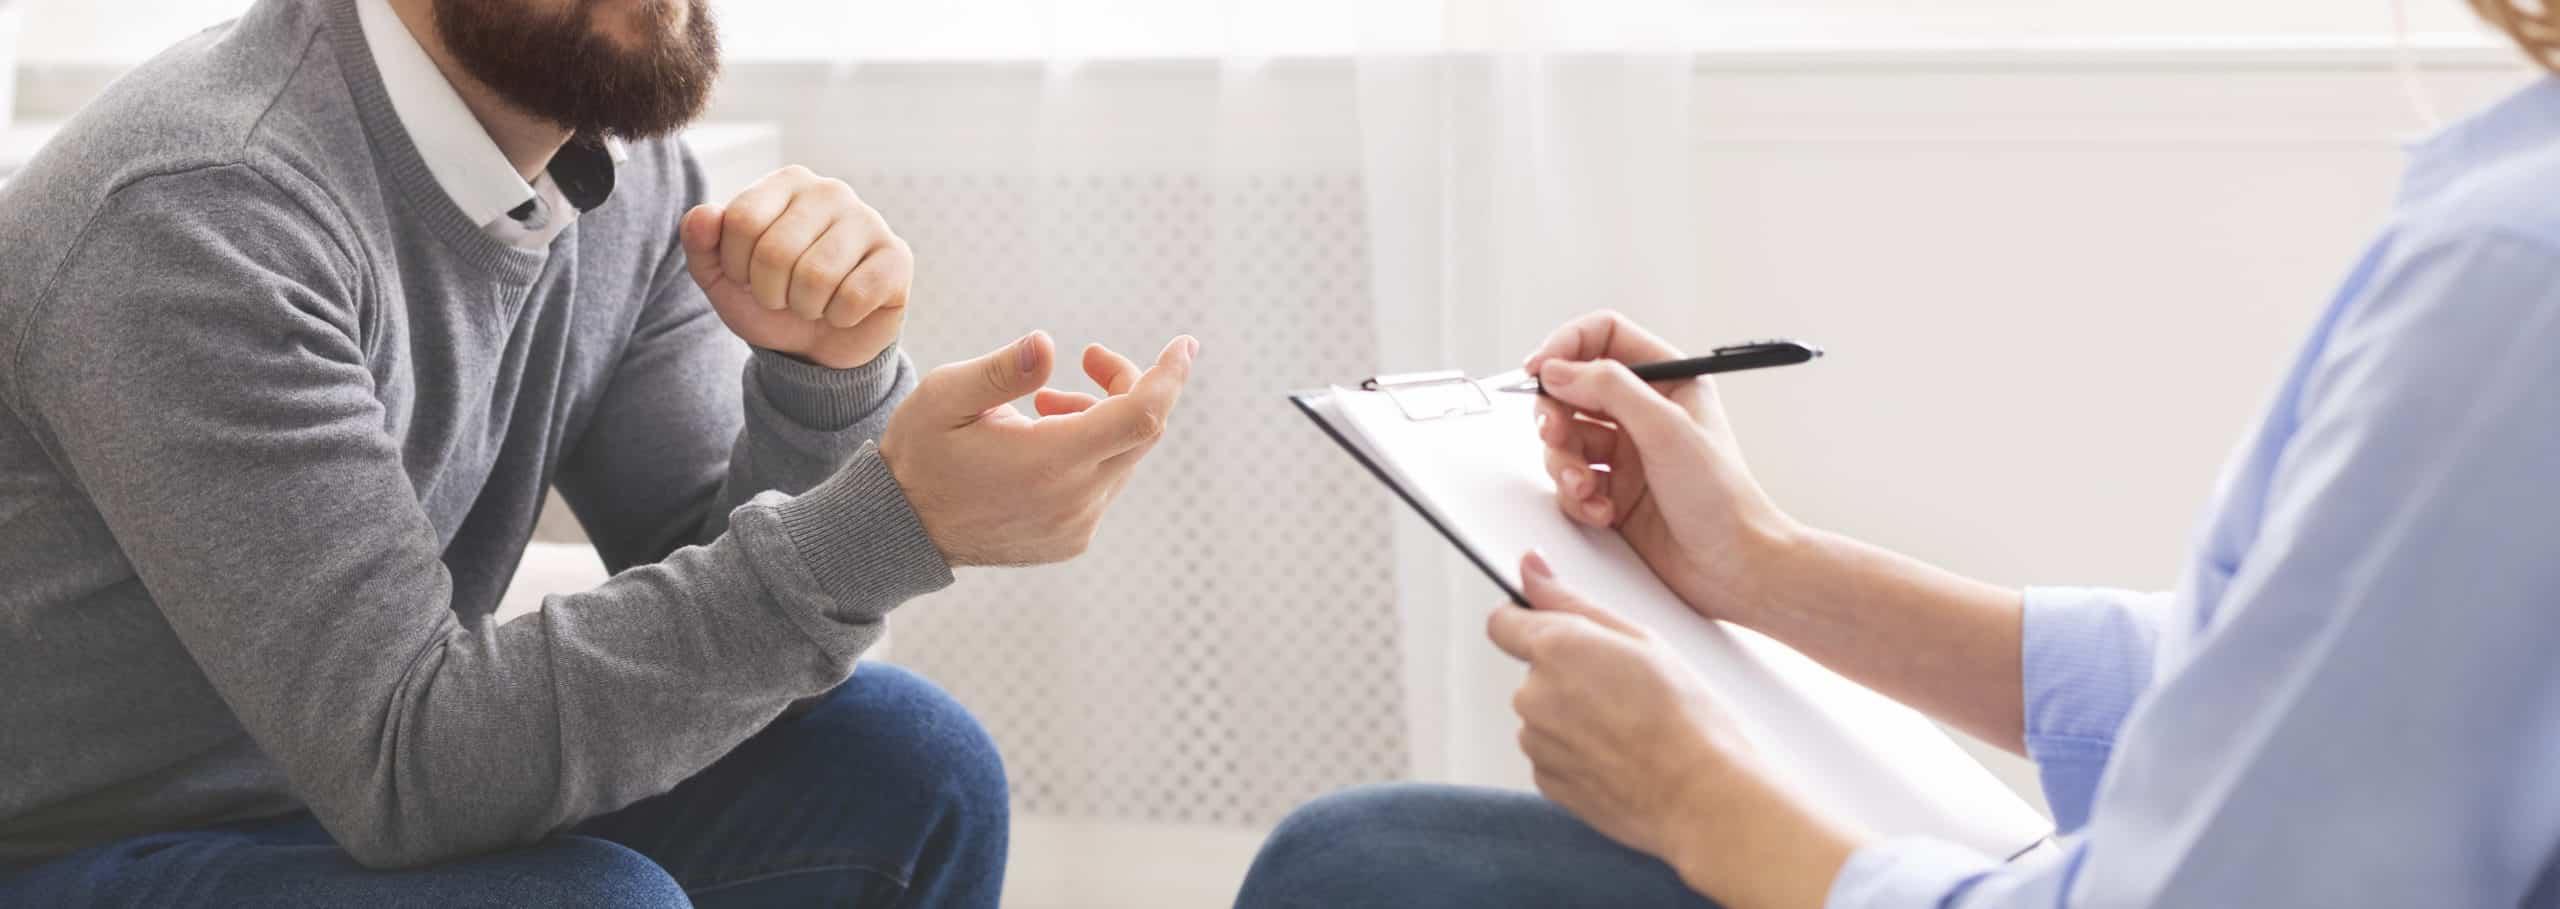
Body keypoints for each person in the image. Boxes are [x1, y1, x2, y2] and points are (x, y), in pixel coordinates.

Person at [1237, 3, 2560, 907]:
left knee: (1365, 865)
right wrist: (1765, 569)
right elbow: (2327, 686)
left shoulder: (2513, 271)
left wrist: (1697, 796)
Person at [0, 0, 1197, 905]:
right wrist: (893, 524)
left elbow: (716, 596)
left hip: (330, 790)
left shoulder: (625, 183)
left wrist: (821, 384)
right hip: (76, 842)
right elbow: (407, 762)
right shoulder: (205, 209)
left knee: (909, 763)